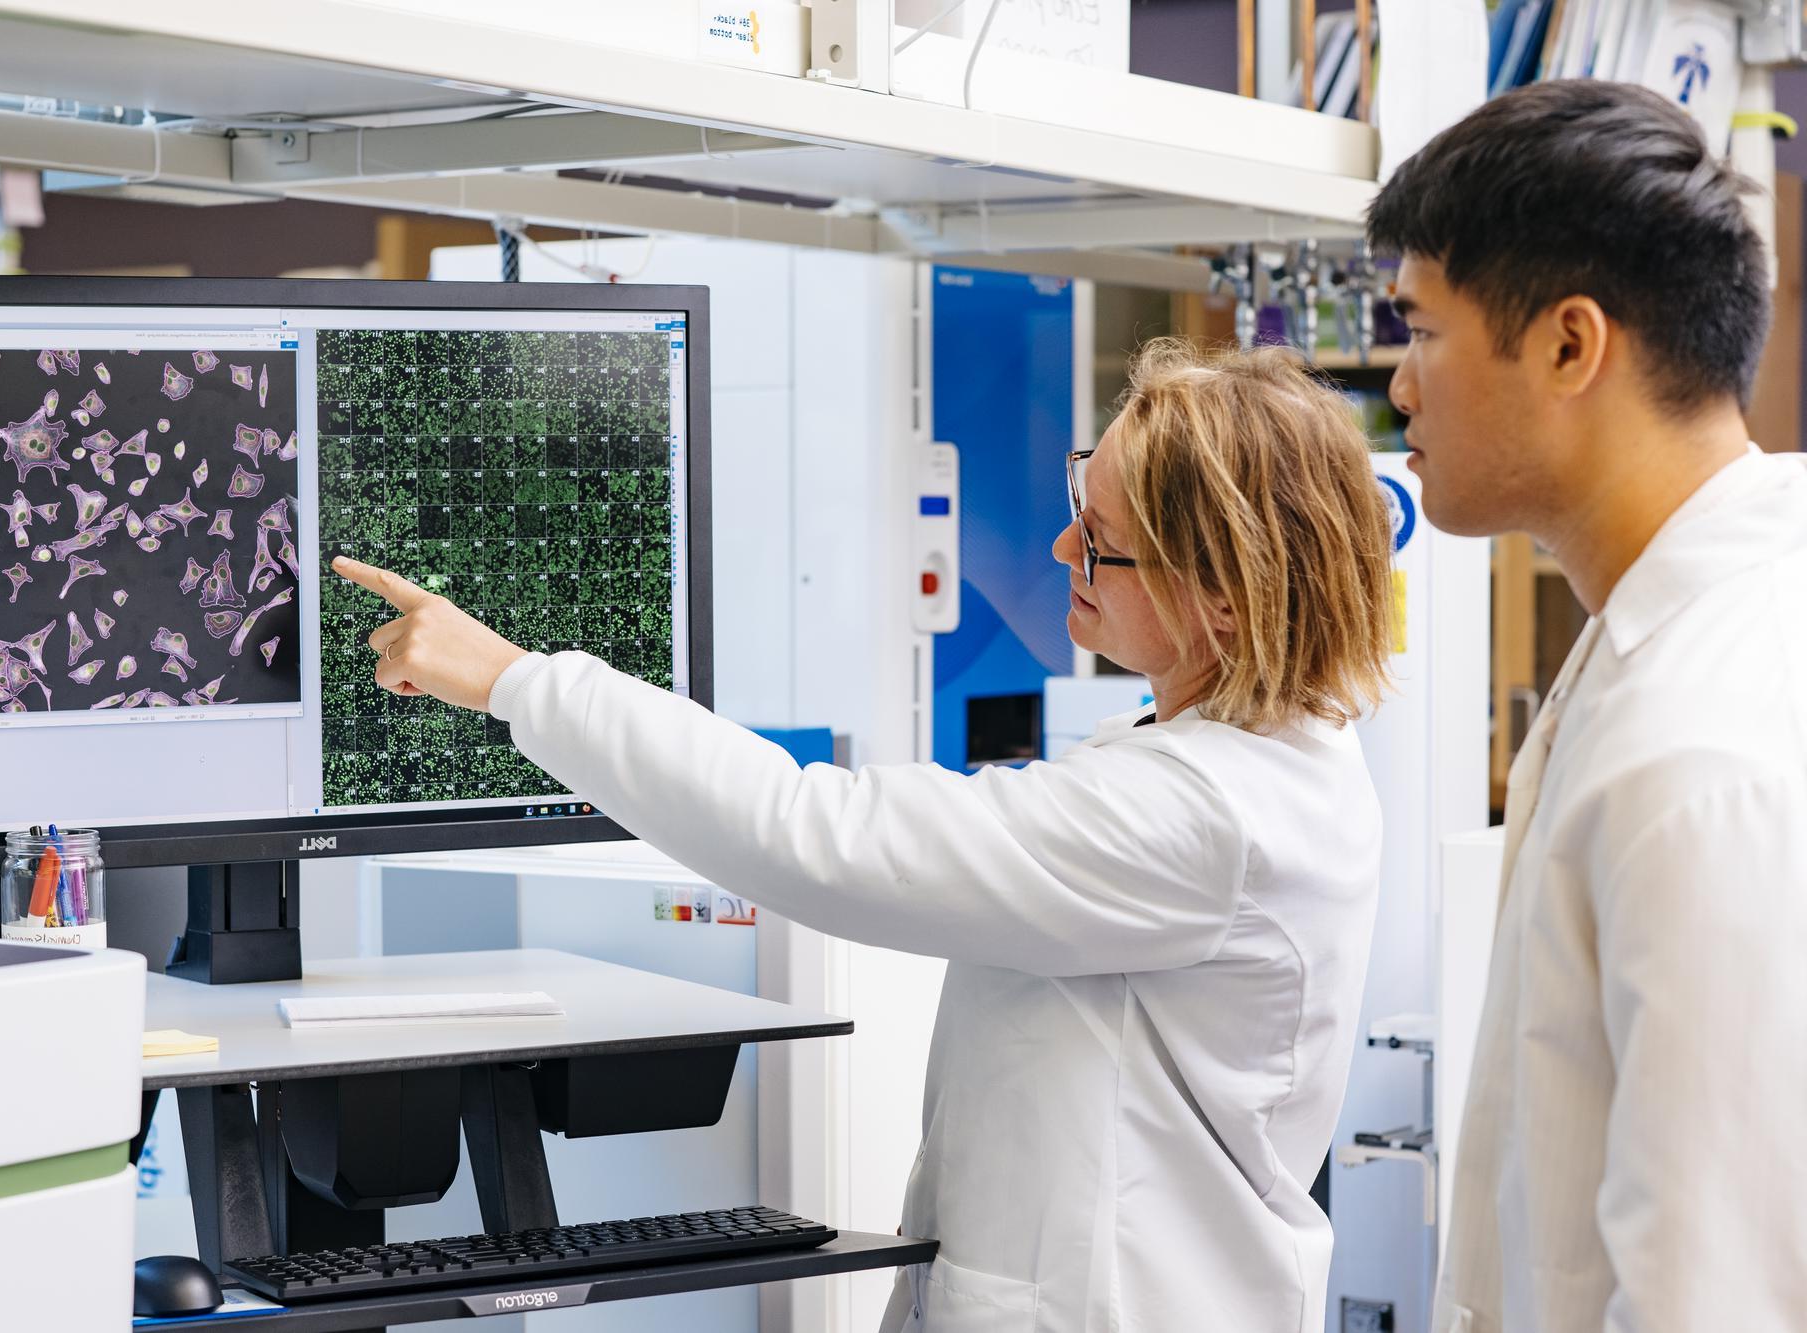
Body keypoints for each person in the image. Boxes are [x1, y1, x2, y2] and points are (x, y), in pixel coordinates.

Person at [334, 340, 1395, 1331]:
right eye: (1082, 503)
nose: (1065, 544)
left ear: (1220, 596)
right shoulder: (1226, 759)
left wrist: (519, 681)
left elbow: (810, 833)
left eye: (1102, 543)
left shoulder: (1201, 815)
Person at [1368, 79, 1807, 1333]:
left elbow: (1714, 1295)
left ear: (1568, 344)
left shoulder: (1702, 743)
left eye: (1421, 330)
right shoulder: (1660, 641)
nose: (1400, 386)